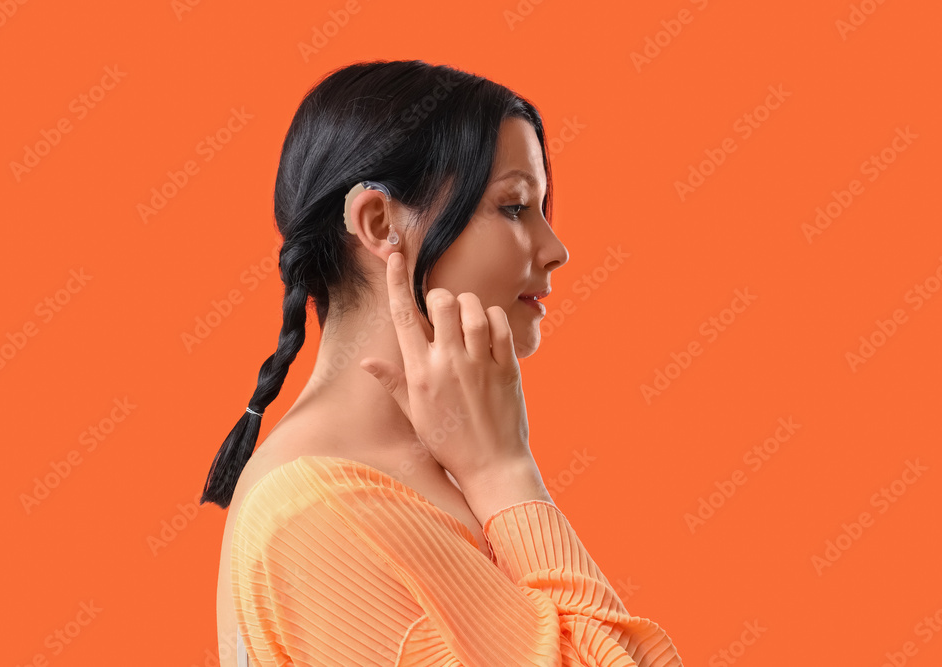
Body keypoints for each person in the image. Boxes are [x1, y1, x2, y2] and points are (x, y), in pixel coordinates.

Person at [201, 59, 685, 666]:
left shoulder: (416, 476)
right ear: (380, 224)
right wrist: (504, 471)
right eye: (513, 207)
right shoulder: (323, 512)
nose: (555, 249)